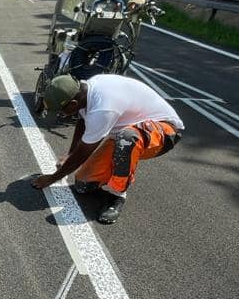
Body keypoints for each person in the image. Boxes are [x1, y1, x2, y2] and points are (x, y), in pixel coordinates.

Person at [31, 73, 184, 224]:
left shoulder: (103, 108)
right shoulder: (86, 89)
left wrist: (53, 178)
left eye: (61, 111)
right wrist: (70, 154)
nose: (61, 115)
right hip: (128, 131)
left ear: (72, 104)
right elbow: (84, 120)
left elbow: (85, 150)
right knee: (83, 184)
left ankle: (117, 195)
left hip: (165, 132)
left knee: (126, 139)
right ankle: (114, 175)